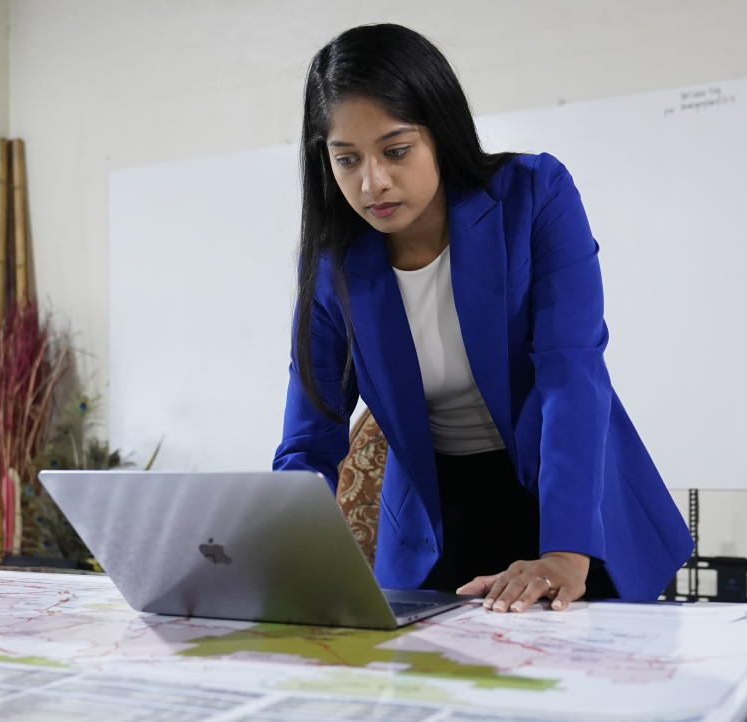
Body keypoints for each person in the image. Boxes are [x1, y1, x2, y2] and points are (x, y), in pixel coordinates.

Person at [273, 23, 693, 613]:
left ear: (440, 134)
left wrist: (567, 549)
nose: (373, 183)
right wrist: (277, 554)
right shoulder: (333, 264)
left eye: (396, 150)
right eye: (347, 160)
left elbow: (569, 375)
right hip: (437, 521)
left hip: (567, 498)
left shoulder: (533, 194)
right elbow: (309, 436)